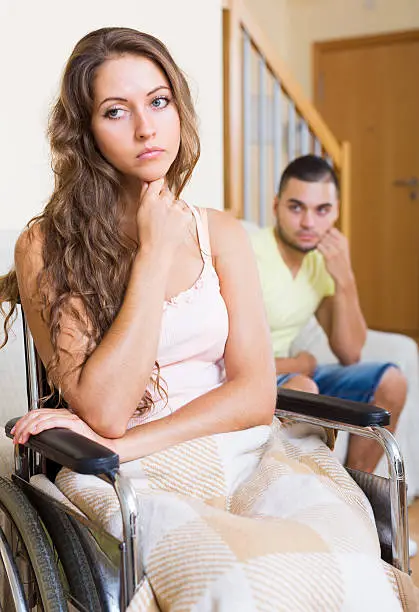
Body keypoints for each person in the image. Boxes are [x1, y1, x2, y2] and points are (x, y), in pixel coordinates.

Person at [0, 29, 416, 610]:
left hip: (241, 453)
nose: (146, 128)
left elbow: (252, 395)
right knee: (237, 582)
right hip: (122, 478)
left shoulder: (219, 232)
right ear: (85, 131)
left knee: (347, 558)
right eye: (116, 111)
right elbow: (104, 411)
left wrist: (132, 443)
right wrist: (153, 252)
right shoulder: (46, 245)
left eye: (159, 101)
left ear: (178, 110)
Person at [250, 155, 408, 475]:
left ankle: (357, 496)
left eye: (322, 210)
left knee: (392, 382)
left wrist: (344, 278)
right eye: (296, 207)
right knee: (303, 385)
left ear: (335, 211)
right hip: (254, 377)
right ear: (276, 206)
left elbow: (349, 353)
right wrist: (299, 364)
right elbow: (228, 359)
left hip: (293, 376)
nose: (309, 223)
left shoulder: (321, 262)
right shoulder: (249, 252)